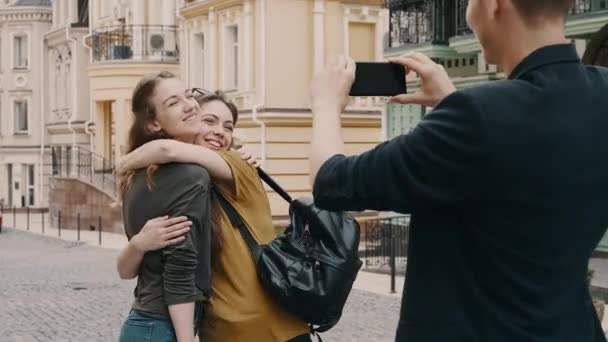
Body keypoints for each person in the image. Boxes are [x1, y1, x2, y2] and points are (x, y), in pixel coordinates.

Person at [309, 0, 608, 341]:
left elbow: (330, 181)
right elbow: (524, 159)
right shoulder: (601, 92)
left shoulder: (478, 117)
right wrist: (452, 104)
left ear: (495, 5)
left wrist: (325, 104)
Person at [116, 91, 310, 342]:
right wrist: (139, 243)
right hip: (222, 332)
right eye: (209, 121)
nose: (220, 131)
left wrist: (123, 162)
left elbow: (166, 148)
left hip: (276, 330)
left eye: (228, 127)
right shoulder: (185, 188)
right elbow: (125, 271)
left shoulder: (240, 167)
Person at [118, 71, 212, 342]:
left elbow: (129, 270)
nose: (189, 104)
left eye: (188, 94)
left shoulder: (140, 174)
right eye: (173, 103)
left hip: (145, 322)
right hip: (164, 327)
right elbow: (180, 262)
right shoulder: (190, 176)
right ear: (154, 124)